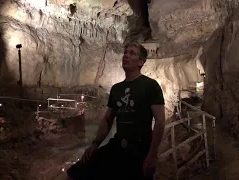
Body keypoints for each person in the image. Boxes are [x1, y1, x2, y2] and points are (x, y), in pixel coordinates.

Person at [66, 42, 165, 180]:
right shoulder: (116, 89)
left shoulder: (150, 86)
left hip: (139, 149)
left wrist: (153, 154)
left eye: (132, 53)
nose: (126, 56)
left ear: (141, 61)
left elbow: (160, 122)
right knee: (75, 173)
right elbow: (108, 119)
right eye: (125, 52)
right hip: (118, 145)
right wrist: (95, 144)